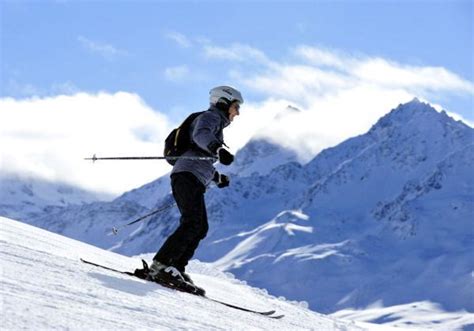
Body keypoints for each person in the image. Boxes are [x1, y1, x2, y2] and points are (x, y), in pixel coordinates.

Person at [147, 86, 243, 292]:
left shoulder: (216, 122)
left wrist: (217, 177)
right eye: (235, 107)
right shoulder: (211, 117)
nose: (237, 113)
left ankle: (175, 267)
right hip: (187, 176)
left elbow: (201, 159)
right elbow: (201, 135)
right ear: (223, 102)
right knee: (192, 222)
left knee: (200, 226)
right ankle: (162, 265)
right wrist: (218, 149)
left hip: (192, 176)